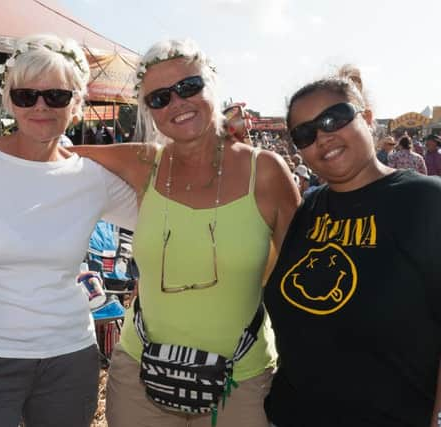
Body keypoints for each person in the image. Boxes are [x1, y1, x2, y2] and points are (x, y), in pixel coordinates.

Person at [72, 38, 300, 427]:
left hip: (240, 383)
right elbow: (55, 156)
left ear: (212, 86)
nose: (177, 103)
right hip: (140, 381)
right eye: (159, 98)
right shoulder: (144, 163)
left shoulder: (266, 171)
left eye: (189, 87)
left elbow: (299, 276)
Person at [0, 34, 137, 427]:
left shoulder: (91, 177)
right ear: (9, 100)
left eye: (56, 96)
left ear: (77, 103)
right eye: (26, 95)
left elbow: (164, 213)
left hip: (69, 357)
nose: (40, 106)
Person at [264, 74, 441, 426]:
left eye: (335, 118)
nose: (323, 136)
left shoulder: (426, 200)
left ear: (368, 118)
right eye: (305, 133)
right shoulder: (309, 210)